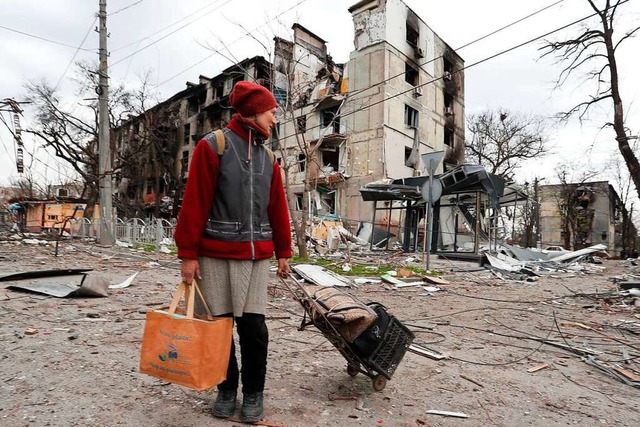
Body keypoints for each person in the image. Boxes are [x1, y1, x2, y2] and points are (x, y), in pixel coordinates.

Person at [174, 80, 292, 423]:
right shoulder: (214, 146)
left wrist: (284, 251)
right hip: (214, 256)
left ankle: (253, 394)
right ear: (254, 111)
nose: (274, 119)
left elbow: (278, 208)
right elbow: (194, 203)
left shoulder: (269, 157)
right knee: (219, 328)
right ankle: (226, 389)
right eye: (272, 112)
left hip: (255, 261)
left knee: (254, 329)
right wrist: (188, 254)